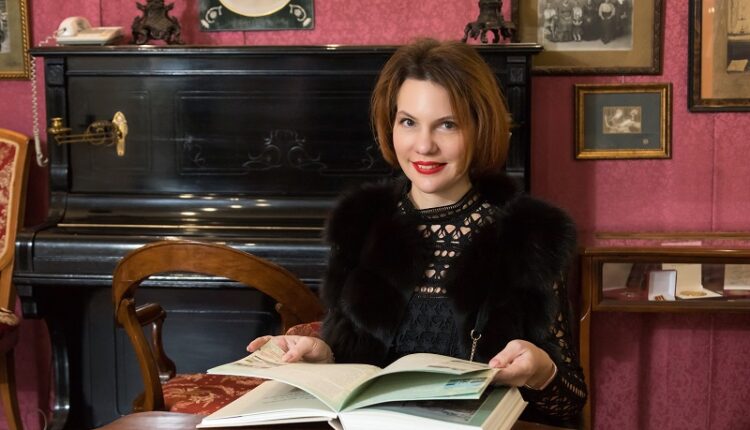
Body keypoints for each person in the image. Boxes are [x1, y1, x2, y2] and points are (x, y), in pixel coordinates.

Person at [247, 38, 587, 427]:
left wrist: (541, 370)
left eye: (447, 124)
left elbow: (570, 402)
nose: (424, 146)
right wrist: (323, 354)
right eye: (408, 122)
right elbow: (351, 361)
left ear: (479, 127)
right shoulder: (362, 222)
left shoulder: (531, 235)